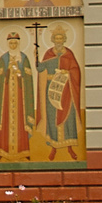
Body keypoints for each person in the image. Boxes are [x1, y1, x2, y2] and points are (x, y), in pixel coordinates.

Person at [38, 25, 84, 160]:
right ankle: (53, 149)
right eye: (56, 38)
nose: (58, 40)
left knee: (68, 118)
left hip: (66, 90)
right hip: (51, 90)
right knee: (52, 118)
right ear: (53, 39)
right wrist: (37, 61)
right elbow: (41, 68)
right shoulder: (48, 53)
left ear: (63, 39)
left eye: (60, 38)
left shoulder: (69, 54)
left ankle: (70, 148)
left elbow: (76, 70)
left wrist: (68, 73)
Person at [0, 29, 36, 161]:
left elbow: (28, 80)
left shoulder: (24, 58)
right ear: (8, 44)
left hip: (21, 98)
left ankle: (24, 151)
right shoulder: (3, 59)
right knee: (5, 123)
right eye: (11, 43)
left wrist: (19, 72)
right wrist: (8, 70)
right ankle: (2, 151)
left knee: (21, 123)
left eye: (15, 43)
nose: (13, 46)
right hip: (6, 99)